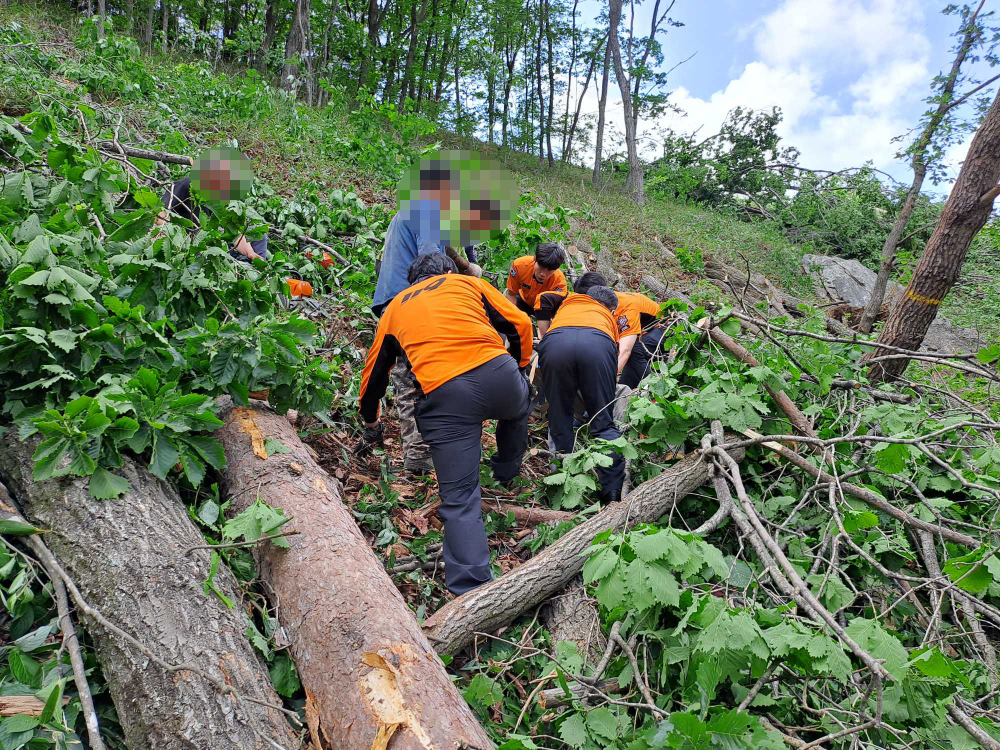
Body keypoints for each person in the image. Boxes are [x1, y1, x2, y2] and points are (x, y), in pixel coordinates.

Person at [357, 253, 533, 595]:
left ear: (413, 283)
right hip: (498, 373)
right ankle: (508, 470)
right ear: (449, 271)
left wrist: (371, 419)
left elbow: (373, 377)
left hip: (445, 396)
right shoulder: (468, 283)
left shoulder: (394, 309)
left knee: (460, 497)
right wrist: (519, 368)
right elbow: (522, 325)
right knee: (518, 407)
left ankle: (472, 590)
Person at [371, 166, 483, 476]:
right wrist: (465, 273)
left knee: (416, 374)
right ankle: (419, 455)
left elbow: (461, 243)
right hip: (410, 302)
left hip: (395, 300)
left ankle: (426, 447)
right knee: (414, 375)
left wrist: (470, 261)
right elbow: (432, 260)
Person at [537, 285, 625, 504]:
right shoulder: (606, 317)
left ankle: (563, 482)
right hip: (597, 342)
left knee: (559, 416)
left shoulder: (567, 304)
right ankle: (611, 493)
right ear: (608, 307)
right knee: (603, 423)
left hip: (555, 342)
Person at [154, 152, 267, 263]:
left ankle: (251, 267)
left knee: (259, 236)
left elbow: (234, 233)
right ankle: (236, 264)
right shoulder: (187, 184)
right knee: (213, 246)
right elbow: (160, 217)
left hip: (213, 241)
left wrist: (250, 252)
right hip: (191, 244)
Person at [574, 272, 666, 388]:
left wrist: (604, 377)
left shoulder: (626, 307)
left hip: (663, 329)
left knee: (635, 350)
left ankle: (655, 389)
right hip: (641, 334)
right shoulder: (603, 305)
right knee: (623, 384)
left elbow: (625, 351)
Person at [504, 243, 568, 332]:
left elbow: (557, 312)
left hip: (545, 308)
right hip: (523, 300)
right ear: (535, 260)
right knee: (506, 320)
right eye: (541, 267)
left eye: (549, 270)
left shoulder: (559, 282)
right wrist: (513, 318)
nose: (543, 274)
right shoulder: (519, 265)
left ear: (556, 269)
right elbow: (511, 294)